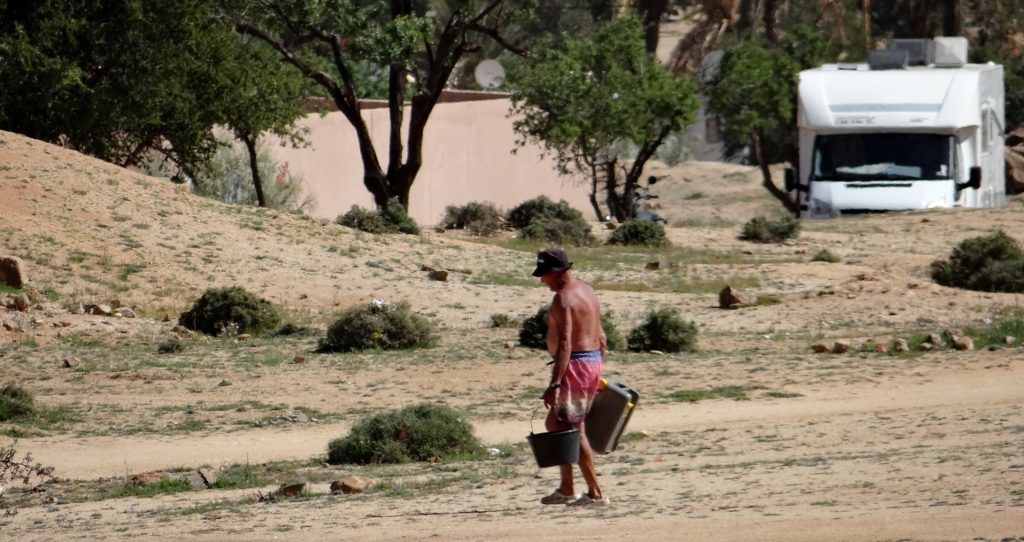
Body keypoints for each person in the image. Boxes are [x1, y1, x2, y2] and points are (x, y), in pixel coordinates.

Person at [532, 248, 609, 507]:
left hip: (575, 364)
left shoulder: (562, 299)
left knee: (576, 431)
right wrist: (596, 371)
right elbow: (602, 337)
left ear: (559, 273)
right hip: (591, 361)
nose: (543, 280)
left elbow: (565, 344)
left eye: (545, 275)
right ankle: (567, 488)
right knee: (556, 425)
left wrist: (555, 384)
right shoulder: (587, 291)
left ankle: (595, 493)